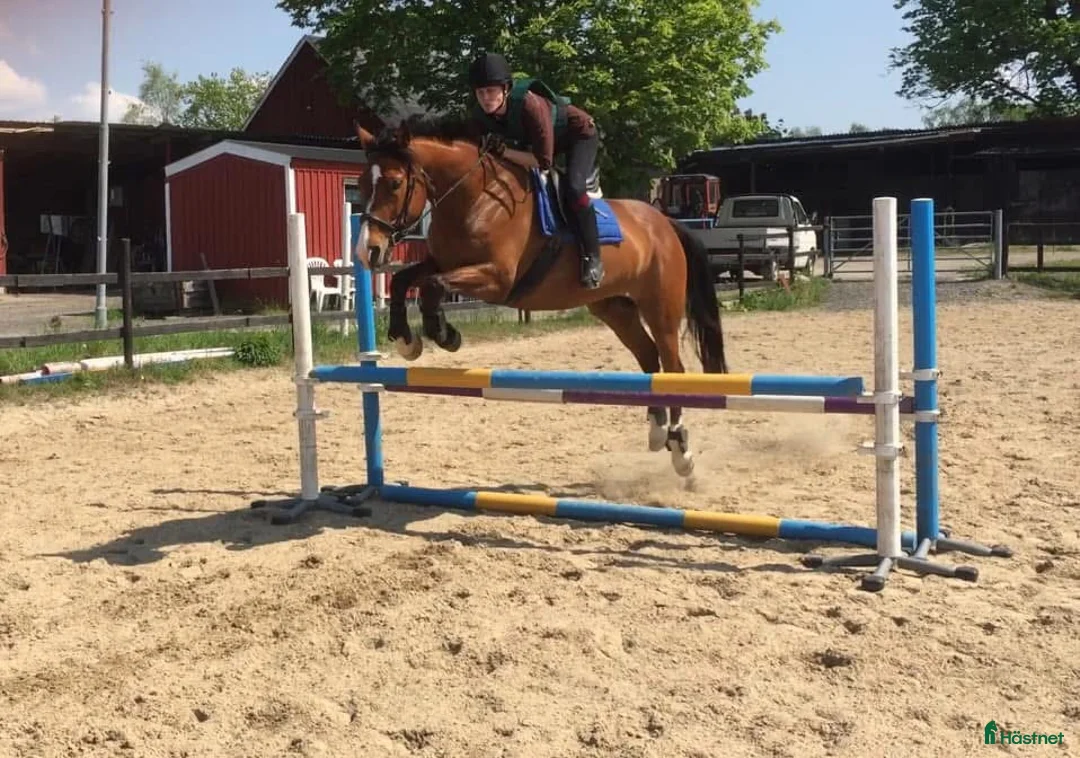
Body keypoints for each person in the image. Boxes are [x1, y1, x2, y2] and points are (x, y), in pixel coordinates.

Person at [466, 52, 604, 289]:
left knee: (573, 187)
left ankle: (592, 257)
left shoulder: (530, 105)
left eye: (491, 91)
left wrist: (505, 152)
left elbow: (543, 162)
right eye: (480, 93)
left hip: (579, 136)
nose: (486, 98)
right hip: (541, 144)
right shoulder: (480, 115)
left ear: (506, 89)